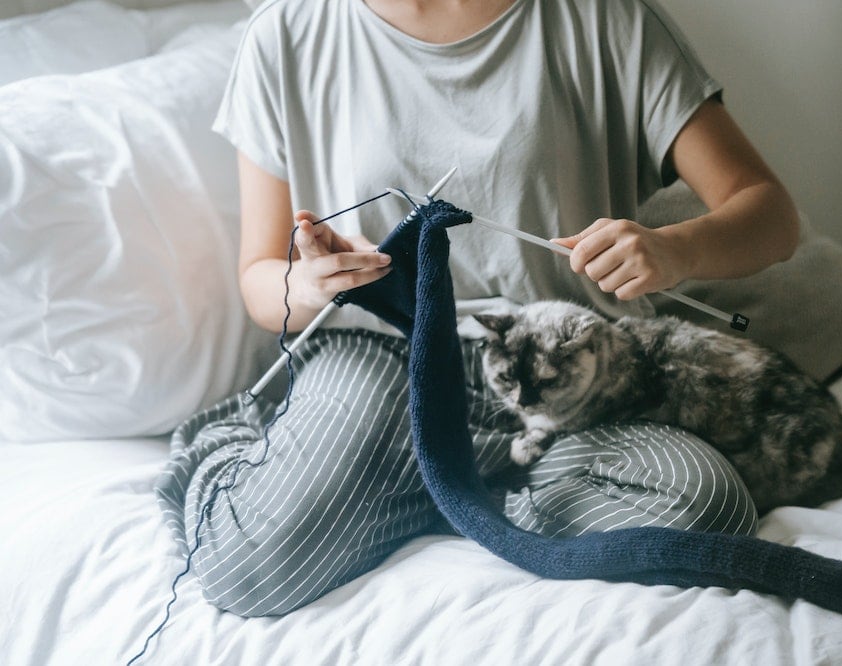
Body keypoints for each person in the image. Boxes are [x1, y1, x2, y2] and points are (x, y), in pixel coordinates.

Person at [156, 0, 799, 618]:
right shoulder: (288, 31)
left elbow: (770, 217)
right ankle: (458, 477)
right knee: (248, 565)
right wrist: (317, 280)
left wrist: (673, 248)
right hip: (383, 356)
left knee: (710, 508)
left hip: (567, 377)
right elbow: (262, 285)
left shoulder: (606, 19)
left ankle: (440, 482)